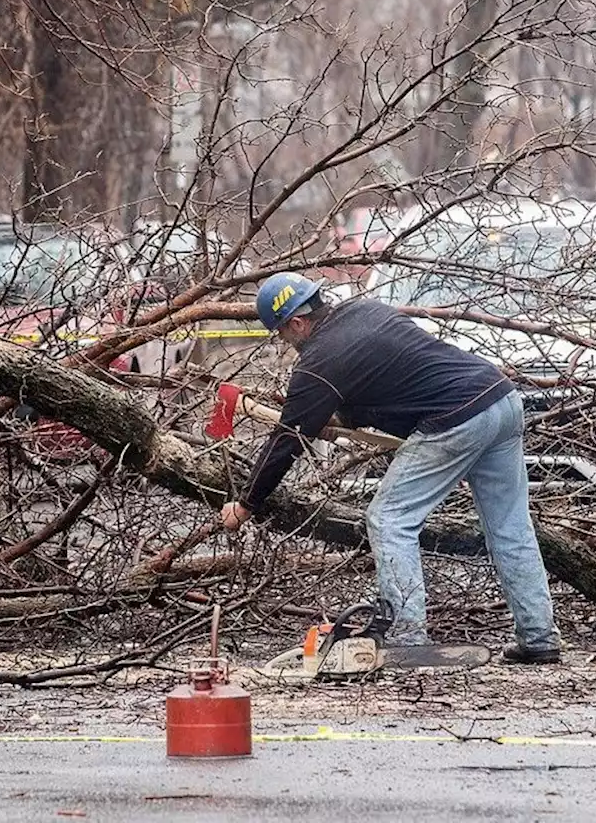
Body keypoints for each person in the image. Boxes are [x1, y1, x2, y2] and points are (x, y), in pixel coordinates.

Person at [221, 272, 559, 661]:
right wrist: (334, 419)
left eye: (282, 333)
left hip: (455, 417)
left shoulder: (318, 362)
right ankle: (539, 638)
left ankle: (406, 638)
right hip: (501, 398)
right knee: (511, 529)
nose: (286, 343)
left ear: (296, 323)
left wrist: (246, 504)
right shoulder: (367, 310)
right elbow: (395, 375)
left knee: (389, 518)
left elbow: (286, 441)